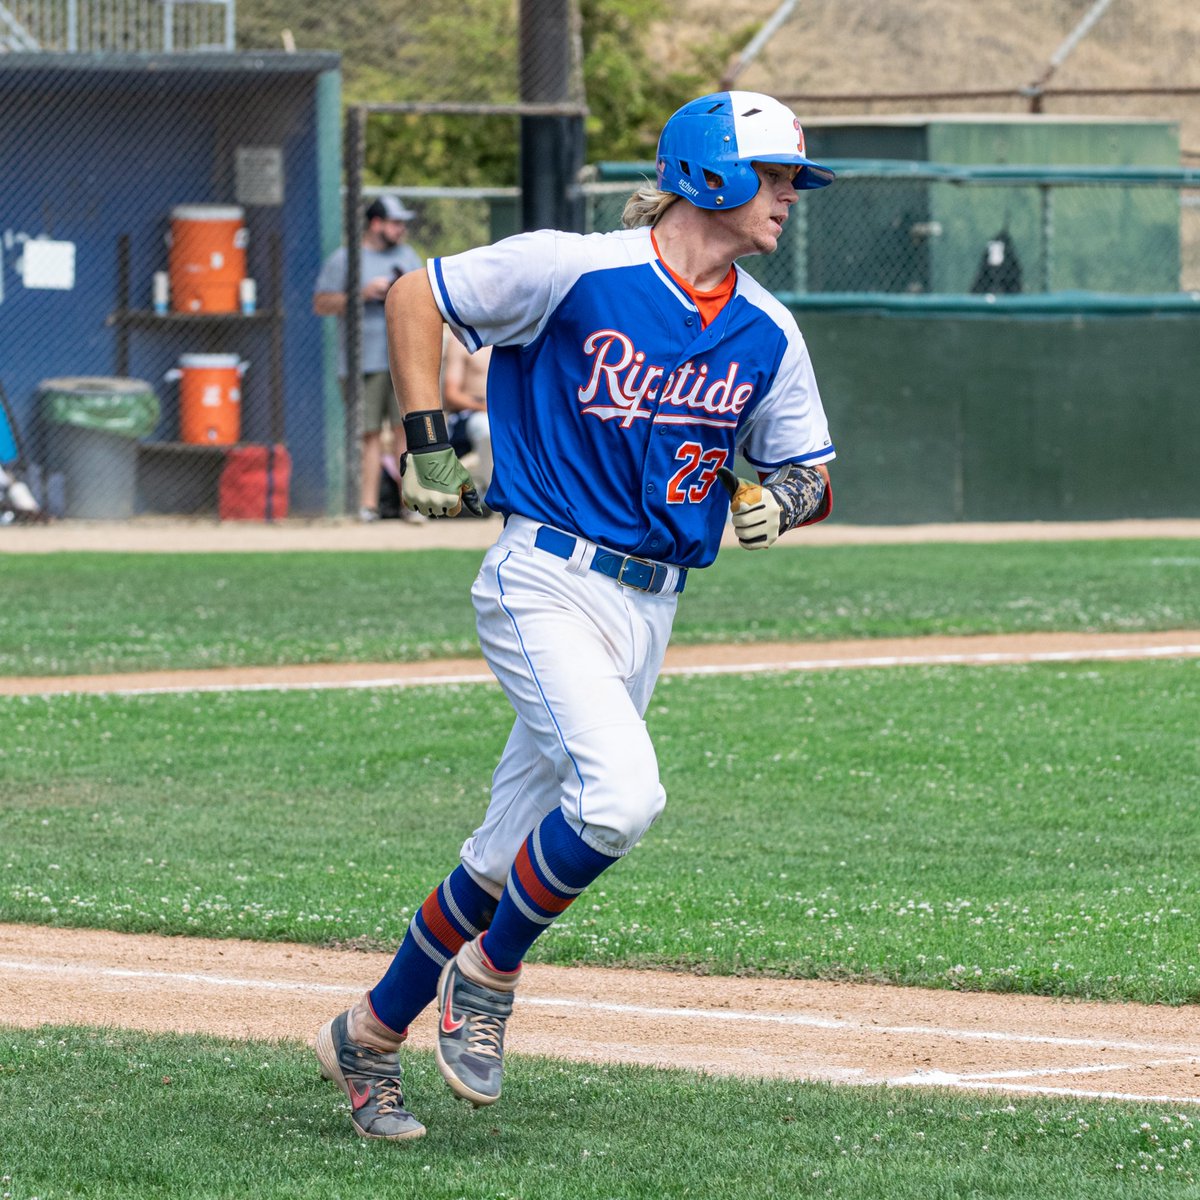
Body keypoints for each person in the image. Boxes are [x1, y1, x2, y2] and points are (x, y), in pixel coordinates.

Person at [314, 90, 837, 1141]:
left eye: (790, 179)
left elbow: (811, 469)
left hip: (651, 609)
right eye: (775, 175)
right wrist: (425, 448)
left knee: (502, 858)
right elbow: (416, 296)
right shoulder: (576, 267)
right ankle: (490, 975)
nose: (789, 197)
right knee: (624, 798)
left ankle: (367, 1037)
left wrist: (777, 500)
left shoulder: (768, 330)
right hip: (542, 575)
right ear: (711, 175)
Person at [312, 194, 426, 523]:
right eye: (395, 222)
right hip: (362, 361)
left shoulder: (408, 256)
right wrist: (361, 294)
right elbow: (321, 304)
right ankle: (367, 506)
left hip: (403, 358)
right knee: (369, 434)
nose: (401, 229)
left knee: (406, 430)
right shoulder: (346, 259)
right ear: (376, 224)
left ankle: (412, 505)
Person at [440, 331, 493, 501]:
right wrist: (484, 407)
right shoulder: (460, 342)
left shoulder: (514, 334)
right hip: (472, 413)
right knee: (487, 428)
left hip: (504, 411)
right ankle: (493, 495)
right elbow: (451, 394)